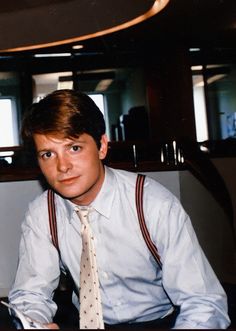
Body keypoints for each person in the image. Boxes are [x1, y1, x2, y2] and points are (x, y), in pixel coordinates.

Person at [9, 89, 230, 329]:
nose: (63, 166)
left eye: (74, 148)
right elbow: (31, 294)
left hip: (159, 323)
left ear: (102, 146)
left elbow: (203, 302)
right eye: (48, 154)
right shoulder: (42, 214)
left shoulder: (152, 204)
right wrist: (33, 323)